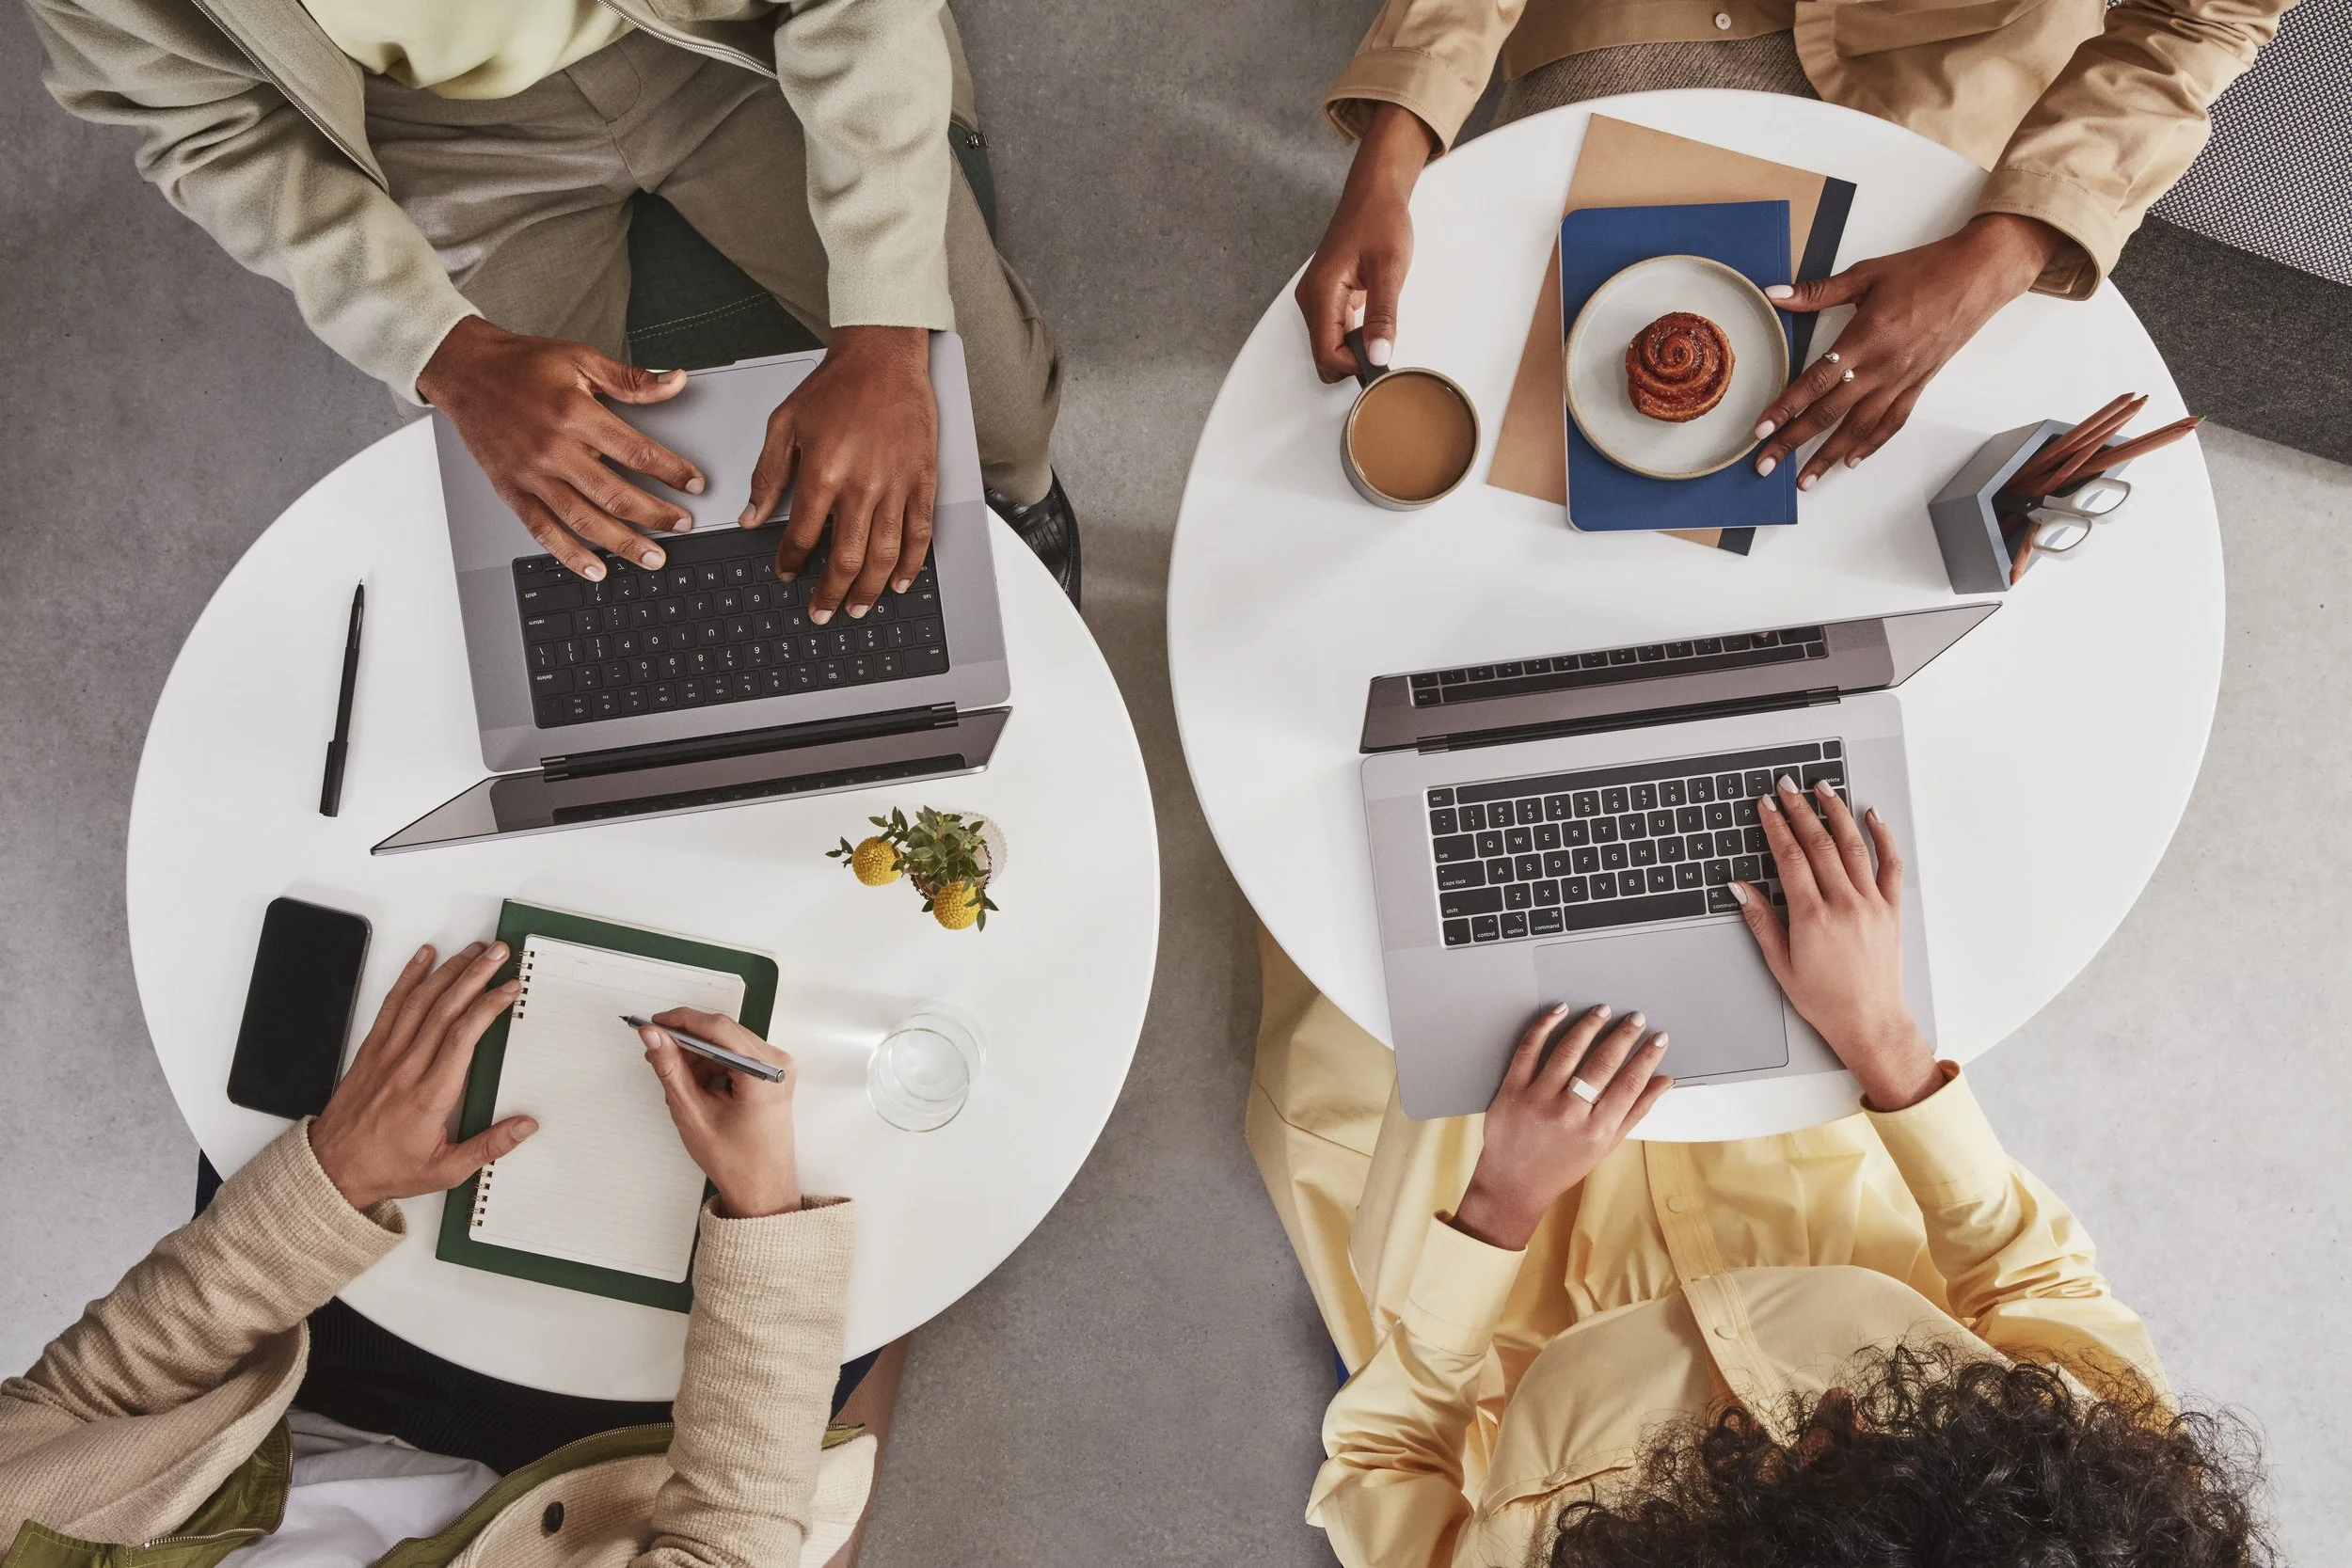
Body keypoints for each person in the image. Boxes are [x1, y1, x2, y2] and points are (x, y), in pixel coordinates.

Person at [1248, 776, 2275, 1565]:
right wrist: (1883, 1042)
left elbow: (1382, 1463)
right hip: (1789, 1153)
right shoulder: (2105, 1518)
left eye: (1829, 1462)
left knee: (1350, 849)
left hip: (1496, 1257)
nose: (1820, 1413)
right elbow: (2032, 1280)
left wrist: (1497, 1204)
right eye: (1875, 1428)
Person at [27, 0, 1079, 615]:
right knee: (547, 559)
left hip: (714, 35)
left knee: (995, 416)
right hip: (426, 125)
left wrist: (888, 332)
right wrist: (447, 352)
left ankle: (1021, 500)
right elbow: (210, 132)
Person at [0, 941, 869, 1567]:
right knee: (847, 1109)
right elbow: (727, 1540)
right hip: (594, 1466)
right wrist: (762, 1211)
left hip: (283, 1389)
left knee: (374, 973)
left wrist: (331, 1176)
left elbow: (83, 1396)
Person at [1296, 0, 2293, 492]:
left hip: (1952, 70)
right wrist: (1394, 143)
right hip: (1652, 15)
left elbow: (2200, 17)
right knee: (1495, 404)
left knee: (1793, 477)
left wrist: (2010, 246)